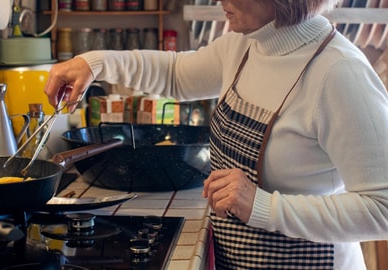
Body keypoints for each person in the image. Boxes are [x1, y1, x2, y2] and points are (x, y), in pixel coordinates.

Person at [44, 0, 388, 269]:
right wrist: (95, 63)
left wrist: (263, 206)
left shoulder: (340, 74)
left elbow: (382, 210)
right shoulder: (244, 45)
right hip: (235, 260)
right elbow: (176, 74)